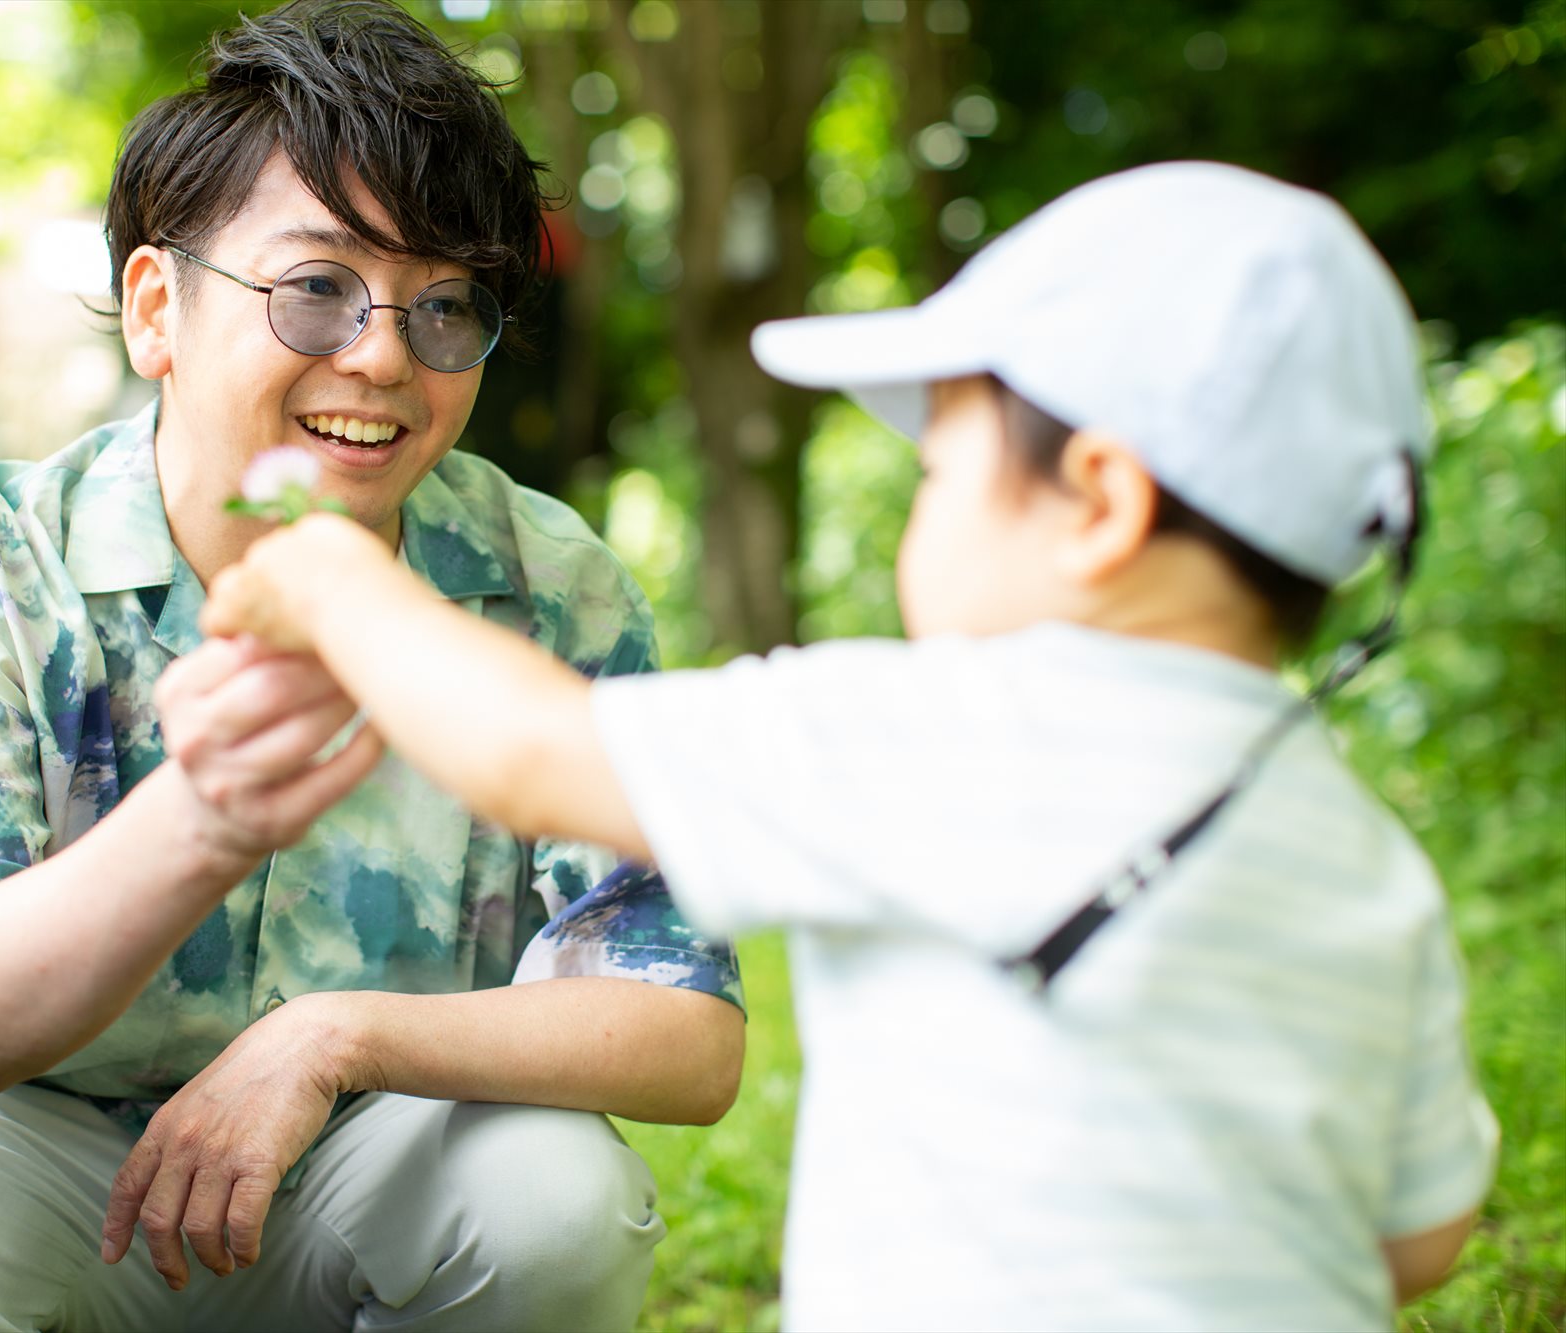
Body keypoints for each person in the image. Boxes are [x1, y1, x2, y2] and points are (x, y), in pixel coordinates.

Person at [204, 161, 1501, 1330]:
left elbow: (529, 751)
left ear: (1101, 504)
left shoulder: (937, 733)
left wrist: (330, 580)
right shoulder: (1372, 865)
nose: (920, 513)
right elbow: (1421, 1233)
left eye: (940, 470)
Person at [0, 2, 744, 1328]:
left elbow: (684, 1028)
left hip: (383, 1176)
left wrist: (333, 1038)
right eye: (316, 287)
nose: (382, 354)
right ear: (157, 306)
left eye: (445, 307)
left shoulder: (556, 582)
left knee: (558, 1203)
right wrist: (200, 819)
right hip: (45, 1177)